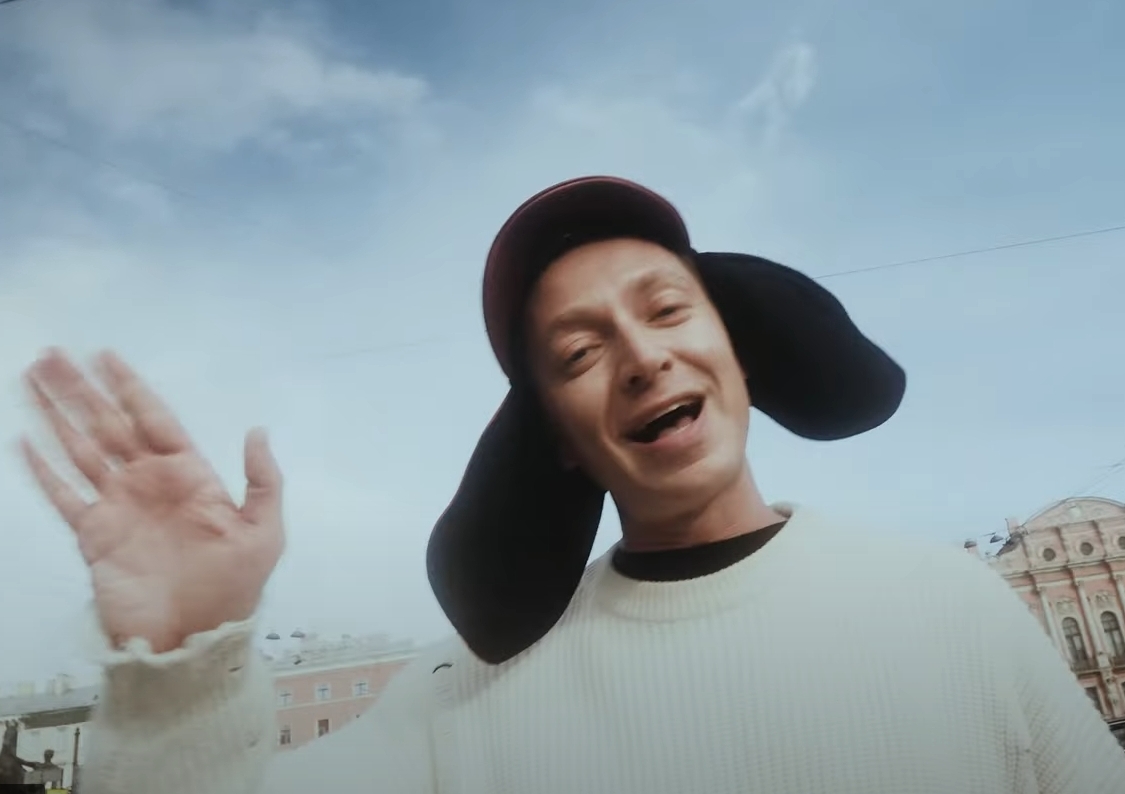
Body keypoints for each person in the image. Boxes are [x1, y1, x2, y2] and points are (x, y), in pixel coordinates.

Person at [19, 177, 1125, 794]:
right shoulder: (461, 703)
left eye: (667, 309)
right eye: (581, 351)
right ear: (554, 435)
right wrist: (183, 658)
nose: (643, 357)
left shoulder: (950, 607)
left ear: (737, 350)